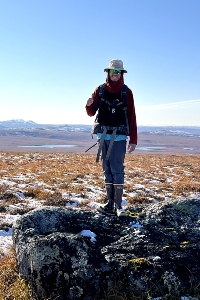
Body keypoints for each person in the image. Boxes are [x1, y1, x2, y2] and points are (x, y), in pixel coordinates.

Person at [86, 59, 137, 217]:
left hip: (119, 137)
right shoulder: (99, 90)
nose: (115, 74)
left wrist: (133, 139)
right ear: (108, 73)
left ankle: (118, 205)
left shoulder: (126, 92)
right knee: (106, 168)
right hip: (103, 136)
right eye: (113, 71)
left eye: (118, 72)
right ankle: (109, 203)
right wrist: (88, 105)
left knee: (117, 168)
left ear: (122, 74)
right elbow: (91, 112)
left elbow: (132, 115)